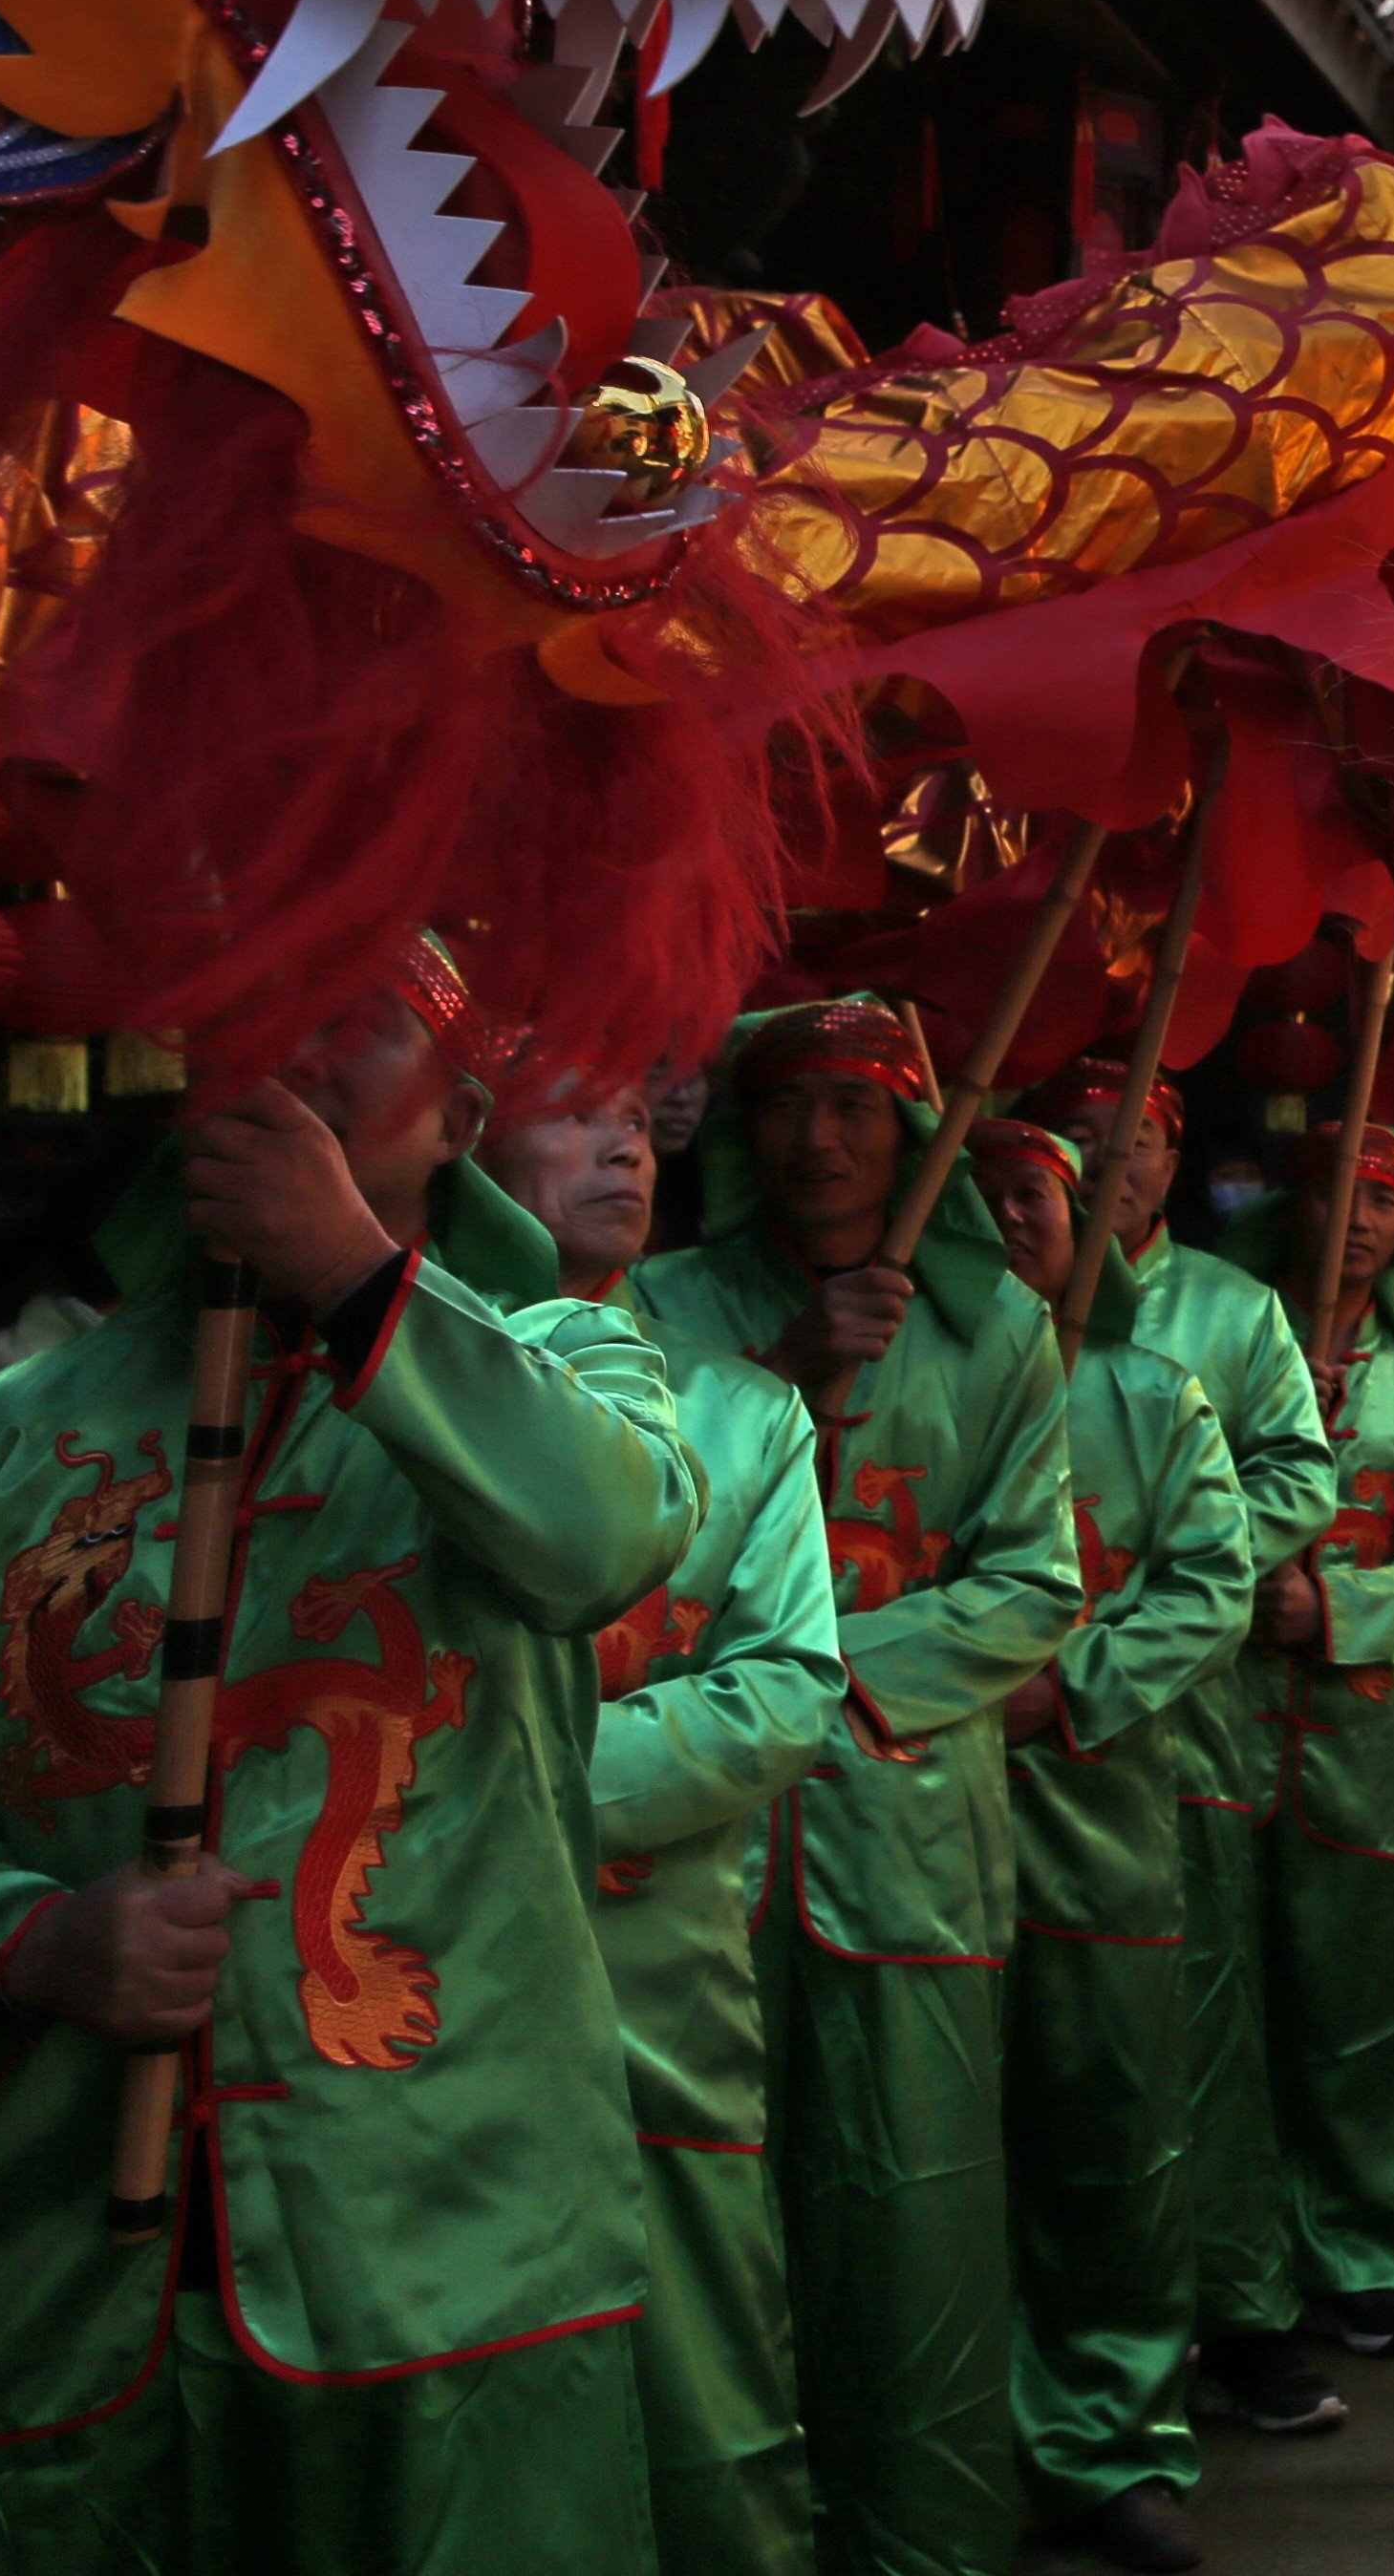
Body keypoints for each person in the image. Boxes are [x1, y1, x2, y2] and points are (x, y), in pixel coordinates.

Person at [0, 941, 698, 2570]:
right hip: (67, 2263)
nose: (289, 1057)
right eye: (255, 1021)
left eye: (359, 1028)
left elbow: (600, 1537)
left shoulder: (573, 1368)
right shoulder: (18, 1428)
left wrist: (352, 1274)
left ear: (463, 1115)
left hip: (447, 2259)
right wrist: (35, 1936)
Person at [627, 1002, 1079, 2576]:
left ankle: (931, 2541)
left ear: (909, 1135)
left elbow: (1037, 1585)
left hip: (907, 1839)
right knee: (713, 2223)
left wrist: (821, 1668)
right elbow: (621, 1530)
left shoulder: (1003, 1331)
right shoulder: (659, 1310)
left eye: (856, 1109)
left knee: (918, 2222)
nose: (817, 1139)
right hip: (701, 1850)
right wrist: (778, 1372)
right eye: (787, 1107)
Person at [493, 1076, 845, 2576]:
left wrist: (492, 1791)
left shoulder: (743, 1411)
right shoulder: (376, 1396)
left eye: (637, 1116)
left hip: (664, 1976)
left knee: (705, 2362)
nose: (624, 1148)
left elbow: (781, 1691)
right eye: (572, 1114)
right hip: (442, 1996)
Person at [1027, 1052, 1351, 2442]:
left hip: (1184, 1716)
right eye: (1082, 1139)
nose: (1114, 1163)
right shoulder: (989, 1319)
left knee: (1197, 2042)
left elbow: (1297, 1475)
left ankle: (1238, 2307)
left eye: (1138, 1139)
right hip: (988, 1745)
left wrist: (1198, 1543)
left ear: (1172, 1156)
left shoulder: (1228, 1313)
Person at [956, 1119, 1254, 2575]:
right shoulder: (892, 1381)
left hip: (1101, 1822)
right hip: (914, 1834)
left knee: (1111, 2145)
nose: (1015, 1219)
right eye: (989, 1195)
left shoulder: (1154, 1391)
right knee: (940, 2154)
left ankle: (1113, 2443)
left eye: (1040, 1196)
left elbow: (1213, 1582)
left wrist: (1065, 1686)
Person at [1223, 1123, 1394, 2366]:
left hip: (1363, 1724)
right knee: (1224, 2007)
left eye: (1390, 1200)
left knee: (1359, 2002)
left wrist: (1334, 1610)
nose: (1365, 1220)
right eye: (1345, 1194)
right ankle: (1236, 2273)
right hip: (1212, 1722)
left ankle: (1361, 2255)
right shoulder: (1217, 1345)